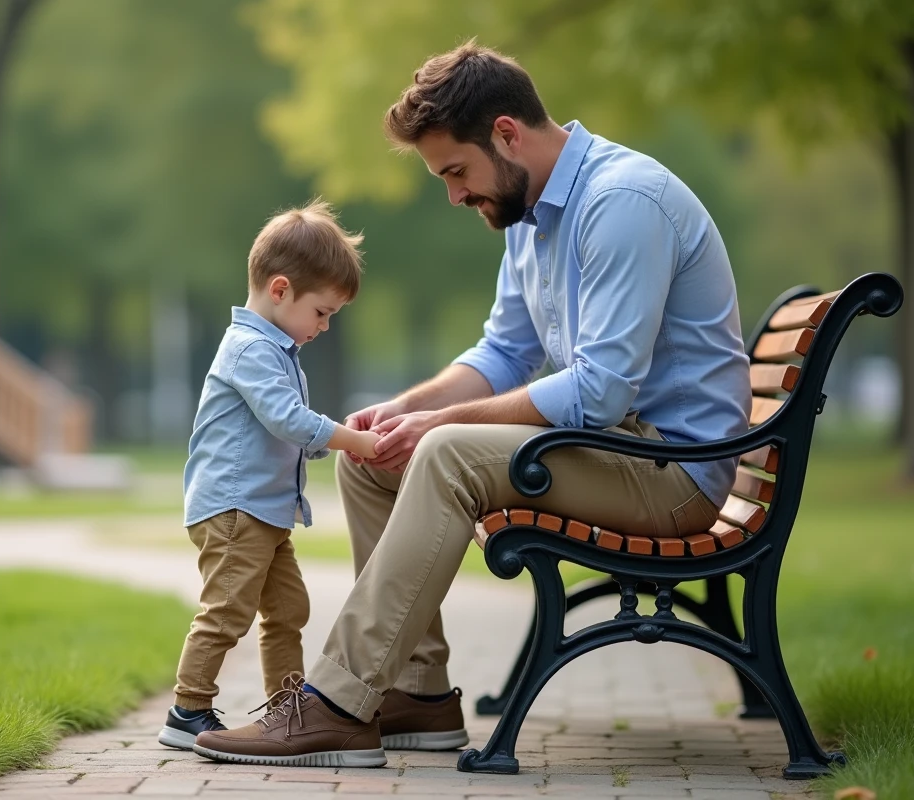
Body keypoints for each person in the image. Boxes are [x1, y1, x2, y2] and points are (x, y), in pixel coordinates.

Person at [192, 41, 750, 768]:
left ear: (507, 133)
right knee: (374, 460)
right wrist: (397, 412)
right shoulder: (533, 219)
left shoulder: (620, 205)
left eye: (456, 171)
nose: (454, 195)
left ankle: (336, 699)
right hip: (618, 450)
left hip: (672, 472)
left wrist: (440, 424)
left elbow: (601, 389)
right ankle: (418, 696)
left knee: (445, 450)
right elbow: (501, 357)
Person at [158, 199, 379, 750]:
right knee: (229, 608)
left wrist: (337, 439)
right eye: (322, 312)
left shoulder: (277, 351)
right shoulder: (250, 349)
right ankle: (188, 709)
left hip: (263, 511)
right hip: (235, 509)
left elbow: (287, 430)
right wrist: (352, 439)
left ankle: (286, 709)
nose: (325, 326)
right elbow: (287, 419)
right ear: (280, 291)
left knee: (288, 610)